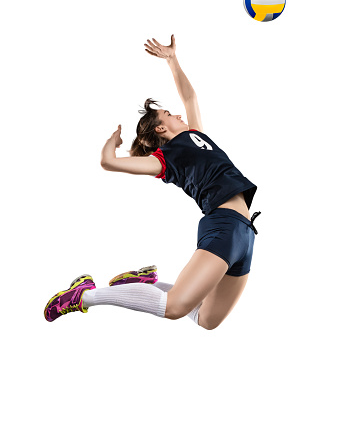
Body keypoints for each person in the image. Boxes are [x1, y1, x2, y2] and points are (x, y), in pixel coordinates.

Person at [44, 35, 261, 330]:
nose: (178, 113)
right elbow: (109, 163)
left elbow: (190, 97)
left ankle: (140, 283)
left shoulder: (196, 135)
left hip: (246, 231)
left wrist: (171, 59)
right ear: (161, 127)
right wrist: (112, 143)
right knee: (174, 308)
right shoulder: (165, 159)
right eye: (169, 114)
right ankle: (85, 296)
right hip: (223, 224)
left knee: (207, 319)